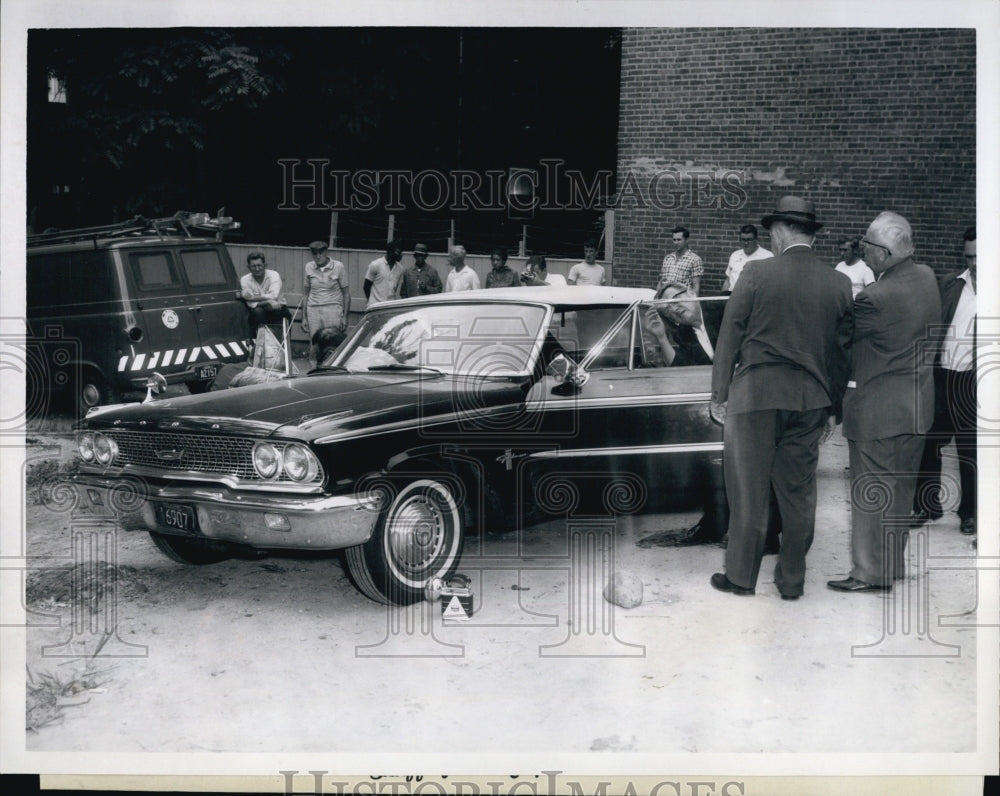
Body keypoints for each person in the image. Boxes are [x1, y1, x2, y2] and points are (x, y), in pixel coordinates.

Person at [710, 196, 853, 599]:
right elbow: (843, 354)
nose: (771, 238)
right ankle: (792, 581)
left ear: (781, 230)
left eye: (772, 231)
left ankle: (740, 578)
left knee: (749, 492)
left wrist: (720, 392)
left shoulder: (755, 273)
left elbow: (730, 337)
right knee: (799, 494)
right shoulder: (839, 283)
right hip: (810, 401)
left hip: (755, 396)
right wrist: (833, 408)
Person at [828, 211, 941, 593]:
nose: (863, 252)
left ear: (881, 252)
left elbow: (841, 346)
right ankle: (890, 565)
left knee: (870, 494)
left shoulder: (875, 297)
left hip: (878, 412)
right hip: (918, 408)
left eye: (866, 246)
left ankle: (869, 574)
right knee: (900, 493)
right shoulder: (927, 278)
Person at [912, 226, 977, 536]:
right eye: (969, 256)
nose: (974, 263)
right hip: (941, 374)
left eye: (980, 256)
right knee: (929, 442)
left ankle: (970, 512)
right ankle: (927, 505)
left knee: (970, 449)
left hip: (975, 381)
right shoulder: (952, 284)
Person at [643, 282, 716, 366]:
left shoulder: (722, 307)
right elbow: (681, 367)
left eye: (675, 300)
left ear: (691, 293)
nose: (674, 309)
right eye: (667, 310)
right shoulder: (684, 335)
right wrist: (661, 337)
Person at [302, 240, 350, 344]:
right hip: (313, 310)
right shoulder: (309, 267)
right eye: (315, 253)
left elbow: (346, 293)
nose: (318, 256)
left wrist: (345, 316)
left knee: (332, 343)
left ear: (326, 252)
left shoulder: (338, 266)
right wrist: (304, 318)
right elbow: (305, 294)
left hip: (333, 309)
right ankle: (314, 361)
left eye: (321, 253)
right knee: (315, 345)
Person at [240, 251, 290, 337]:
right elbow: (250, 304)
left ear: (265, 265)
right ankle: (260, 347)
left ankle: (282, 348)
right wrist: (267, 302)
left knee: (285, 318)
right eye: (253, 266)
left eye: (259, 265)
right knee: (258, 312)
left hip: (278, 310)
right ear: (248, 267)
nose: (257, 269)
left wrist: (253, 297)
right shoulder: (245, 280)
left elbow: (274, 295)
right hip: (258, 313)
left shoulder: (274, 275)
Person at [722, 224, 772, 293]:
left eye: (749, 240)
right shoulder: (735, 255)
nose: (746, 243)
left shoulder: (767, 256)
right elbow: (728, 280)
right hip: (733, 296)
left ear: (756, 239)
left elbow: (771, 282)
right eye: (743, 240)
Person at [657, 226, 703, 296]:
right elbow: (661, 282)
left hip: (682, 301)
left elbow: (696, 287)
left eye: (679, 240)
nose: (676, 242)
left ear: (687, 240)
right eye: (674, 240)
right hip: (665, 300)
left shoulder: (695, 260)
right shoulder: (668, 258)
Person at [364, 240, 404, 305]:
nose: (401, 255)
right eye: (398, 252)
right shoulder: (375, 264)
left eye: (401, 253)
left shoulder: (400, 268)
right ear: (390, 252)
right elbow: (366, 287)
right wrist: (371, 301)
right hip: (375, 305)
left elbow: (394, 288)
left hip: (390, 307)